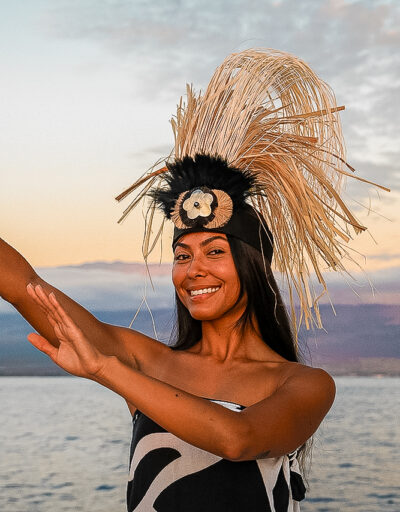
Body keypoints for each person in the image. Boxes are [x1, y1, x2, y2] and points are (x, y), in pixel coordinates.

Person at [0, 49, 387, 511]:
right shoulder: (148, 361)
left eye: (215, 252)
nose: (193, 269)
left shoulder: (302, 384)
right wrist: (119, 367)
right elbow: (26, 285)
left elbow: (237, 439)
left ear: (252, 266)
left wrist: (107, 370)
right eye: (181, 255)